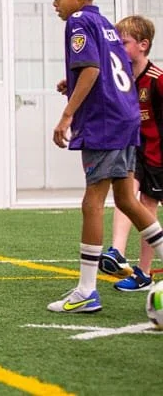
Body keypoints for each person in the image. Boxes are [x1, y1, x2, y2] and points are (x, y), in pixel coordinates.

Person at [46, 0, 163, 313]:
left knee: (92, 202)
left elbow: (94, 69)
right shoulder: (106, 25)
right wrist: (75, 81)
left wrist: (67, 115)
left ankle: (86, 291)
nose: (55, 3)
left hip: (105, 124)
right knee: (127, 200)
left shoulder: (80, 20)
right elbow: (115, 69)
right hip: (126, 120)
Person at [95, 15, 163, 291]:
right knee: (125, 197)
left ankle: (144, 272)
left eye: (124, 43)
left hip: (157, 155)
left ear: (143, 45)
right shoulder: (118, 77)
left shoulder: (157, 80)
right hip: (131, 149)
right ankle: (116, 251)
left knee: (147, 207)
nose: (118, 49)